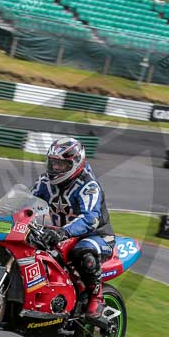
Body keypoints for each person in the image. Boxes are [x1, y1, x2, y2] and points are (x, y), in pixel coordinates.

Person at [31, 137, 114, 320]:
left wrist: (63, 232)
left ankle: (96, 299)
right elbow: (28, 202)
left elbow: (91, 219)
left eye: (61, 165)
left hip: (96, 236)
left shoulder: (88, 185)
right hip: (61, 233)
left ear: (75, 164)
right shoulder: (45, 182)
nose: (55, 169)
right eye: (53, 163)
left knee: (82, 252)